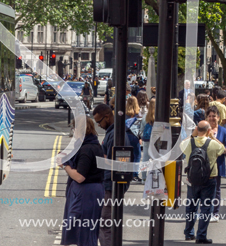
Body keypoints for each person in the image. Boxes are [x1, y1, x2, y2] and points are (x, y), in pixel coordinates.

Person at [59, 116, 104, 246]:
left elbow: (79, 176)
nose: (73, 132)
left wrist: (64, 165)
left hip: (86, 194)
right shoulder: (94, 145)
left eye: (74, 129)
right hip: (93, 191)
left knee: (82, 232)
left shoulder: (86, 149)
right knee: (87, 230)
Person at [92, 104, 133, 246]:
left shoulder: (117, 135)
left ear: (107, 117)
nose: (98, 125)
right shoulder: (113, 133)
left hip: (110, 186)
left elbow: (119, 164)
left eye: (99, 121)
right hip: (109, 184)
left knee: (106, 225)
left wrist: (99, 159)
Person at [180, 120, 226, 244]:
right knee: (206, 208)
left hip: (193, 180)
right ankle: (201, 235)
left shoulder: (189, 143)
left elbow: (181, 145)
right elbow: (223, 149)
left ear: (197, 129)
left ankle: (189, 233)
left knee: (191, 207)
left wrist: (192, 135)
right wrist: (212, 137)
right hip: (209, 179)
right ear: (208, 130)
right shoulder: (213, 144)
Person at [205, 106, 226, 222]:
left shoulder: (224, 131)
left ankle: (215, 213)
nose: (212, 119)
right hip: (204, 165)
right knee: (204, 190)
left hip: (218, 165)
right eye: (210, 116)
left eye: (214, 116)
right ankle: (205, 212)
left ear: (218, 117)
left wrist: (213, 138)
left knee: (216, 190)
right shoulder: (202, 130)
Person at [138, 98, 155, 182]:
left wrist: (142, 137)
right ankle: (154, 177)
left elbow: (141, 129)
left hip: (147, 139)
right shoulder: (159, 116)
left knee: (145, 158)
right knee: (155, 159)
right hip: (156, 140)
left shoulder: (145, 116)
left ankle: (144, 178)